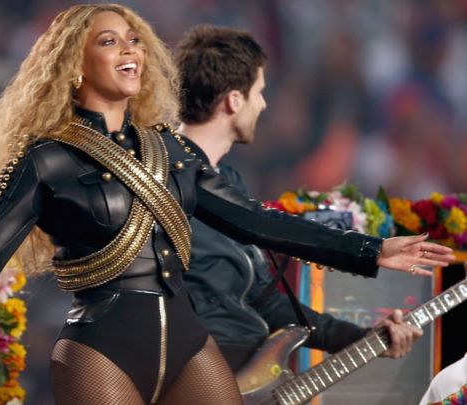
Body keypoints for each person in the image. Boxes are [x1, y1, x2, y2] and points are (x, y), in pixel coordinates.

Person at [0, 4, 453, 404]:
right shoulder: (47, 159)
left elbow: (258, 223)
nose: (128, 50)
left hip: (187, 344)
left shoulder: (169, 150)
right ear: (74, 65)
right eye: (108, 41)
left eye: (133, 39)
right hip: (101, 348)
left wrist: (372, 251)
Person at [175, 25, 428, 373]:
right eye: (259, 92)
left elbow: (269, 305)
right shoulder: (171, 175)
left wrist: (365, 338)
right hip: (200, 370)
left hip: (247, 369)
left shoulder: (229, 181)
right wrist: (373, 250)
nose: (263, 104)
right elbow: (264, 225)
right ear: (234, 100)